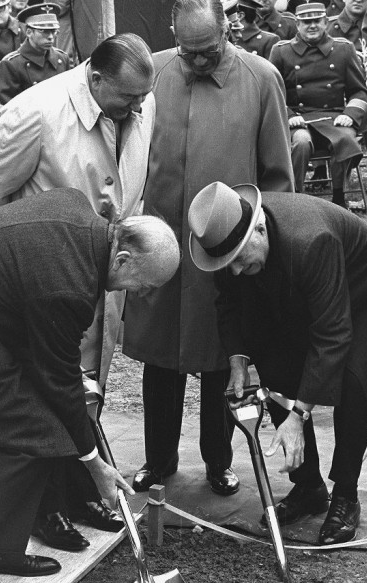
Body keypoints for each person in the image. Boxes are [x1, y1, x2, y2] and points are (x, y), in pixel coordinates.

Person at [0, 32, 156, 548]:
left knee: (85, 394)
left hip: (105, 269)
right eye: (127, 99)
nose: (139, 108)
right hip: (38, 285)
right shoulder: (33, 112)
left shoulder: (139, 99)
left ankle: (79, 491)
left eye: (143, 100)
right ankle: (41, 509)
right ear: (95, 79)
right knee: (40, 400)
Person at [123, 0, 294, 498]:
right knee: (159, 357)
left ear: (228, 28)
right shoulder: (152, 71)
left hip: (226, 246)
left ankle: (219, 461)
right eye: (187, 52)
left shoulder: (261, 78)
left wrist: (266, 244)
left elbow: (278, 175)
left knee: (222, 354)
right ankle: (158, 462)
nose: (197, 62)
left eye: (208, 51)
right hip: (159, 241)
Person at [0, 187, 180, 583]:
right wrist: (95, 464)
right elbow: (55, 379)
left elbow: (55, 359)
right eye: (141, 286)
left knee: (36, 425)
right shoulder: (67, 286)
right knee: (30, 426)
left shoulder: (78, 209)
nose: (140, 295)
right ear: (123, 259)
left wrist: (72, 379)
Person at [189, 181, 367, 545]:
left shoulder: (312, 240)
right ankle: (309, 487)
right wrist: (238, 361)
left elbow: (333, 334)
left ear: (259, 228)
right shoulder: (228, 238)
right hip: (304, 287)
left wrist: (299, 415)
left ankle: (346, 495)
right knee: (274, 361)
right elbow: (229, 302)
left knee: (353, 380)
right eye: (227, 264)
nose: (234, 271)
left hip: (366, 290)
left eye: (239, 259)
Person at [270, 2, 367, 206]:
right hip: (299, 119)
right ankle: (295, 197)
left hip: (334, 117)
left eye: (316, 21)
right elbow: (272, 93)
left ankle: (339, 198)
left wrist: (350, 114)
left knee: (346, 140)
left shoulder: (343, 49)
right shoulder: (281, 52)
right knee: (301, 143)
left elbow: (359, 90)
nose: (312, 25)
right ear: (297, 25)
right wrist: (288, 116)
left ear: (325, 22)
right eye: (306, 22)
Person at [0, 0, 70, 104]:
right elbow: (7, 107)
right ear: (29, 32)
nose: (50, 37)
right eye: (44, 31)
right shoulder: (11, 64)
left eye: (53, 31)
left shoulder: (61, 58)